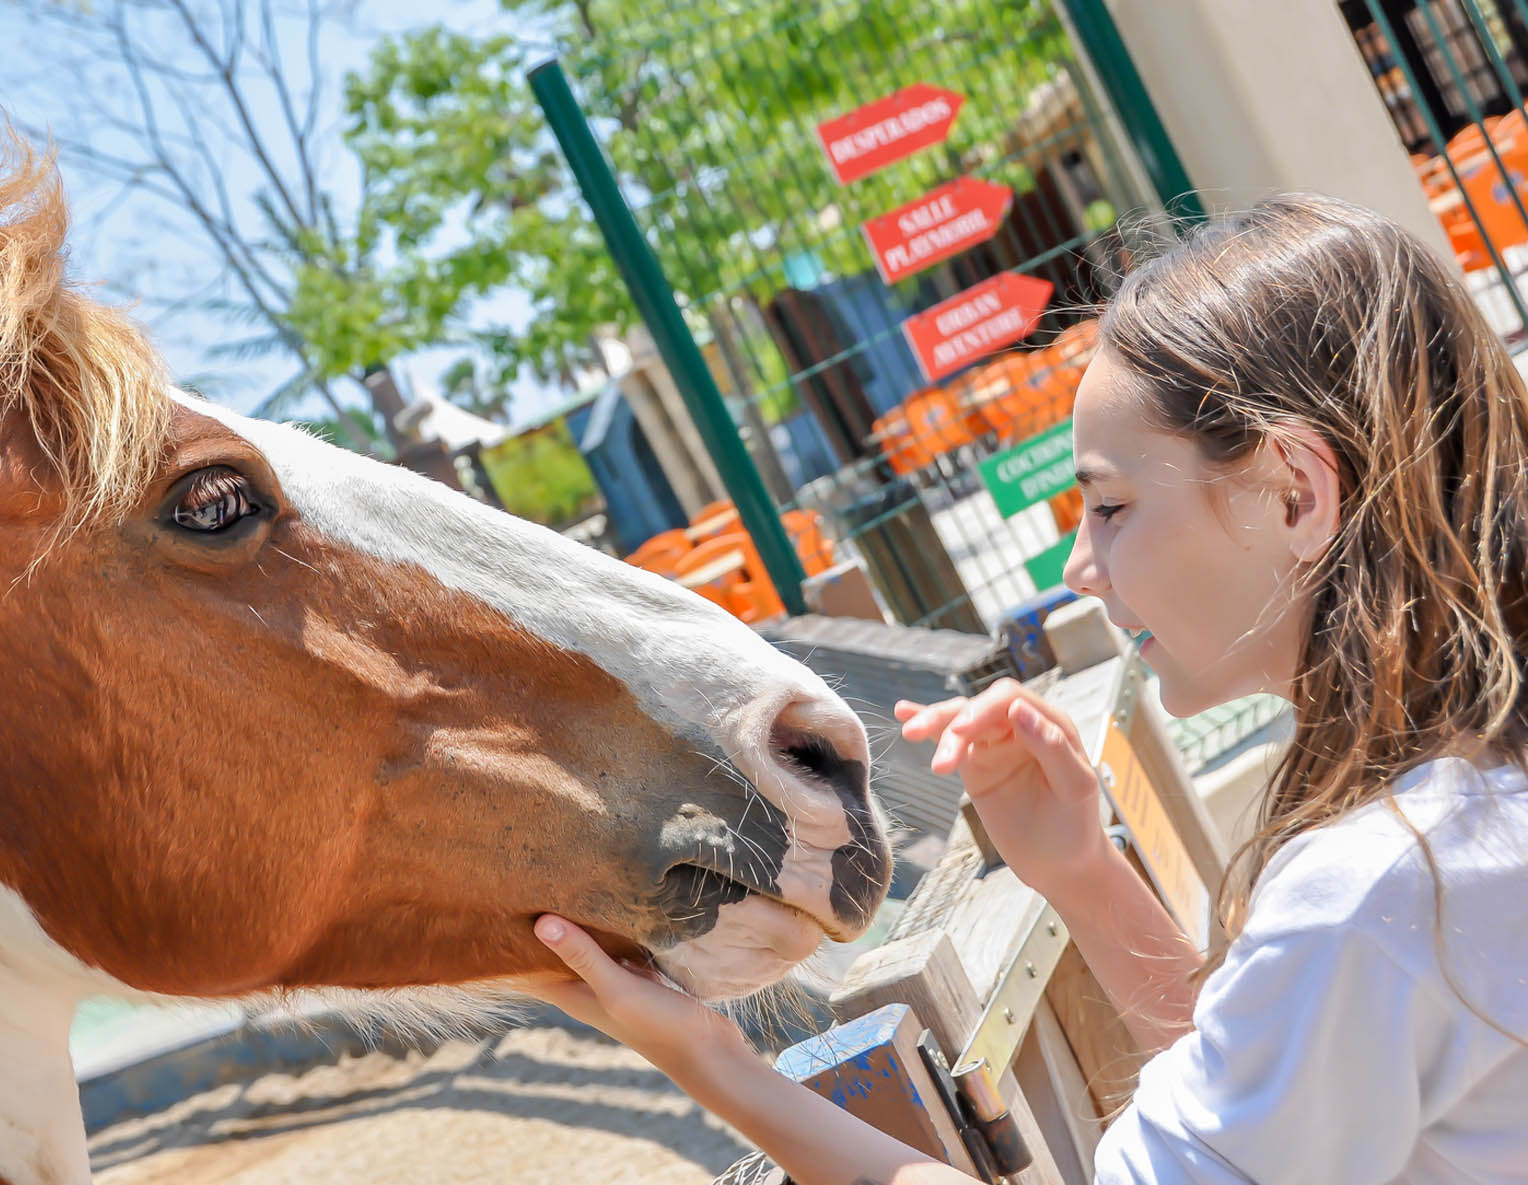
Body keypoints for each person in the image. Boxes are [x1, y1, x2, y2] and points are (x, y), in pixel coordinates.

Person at [525, 194, 1528, 1184]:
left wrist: (713, 1062)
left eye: (1112, 506)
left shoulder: (1381, 892)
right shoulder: (1459, 825)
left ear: (1295, 493)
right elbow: (1281, 1118)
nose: (1084, 567)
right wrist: (1084, 873)